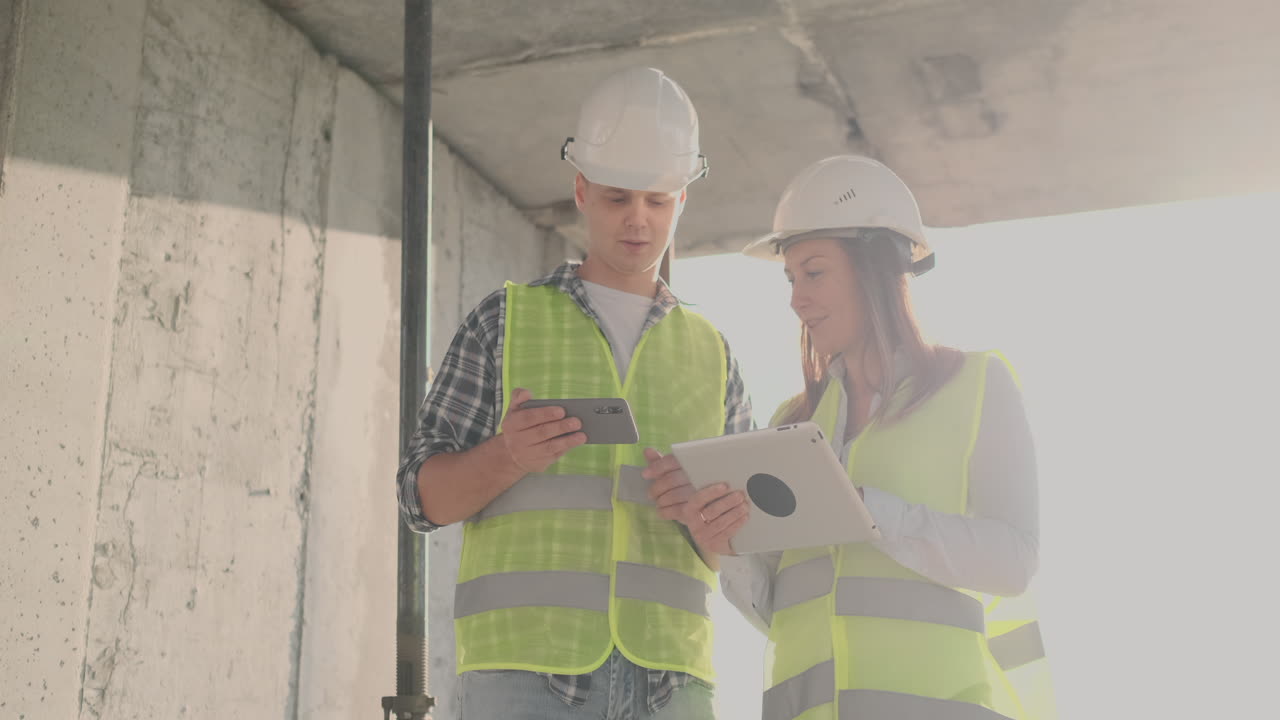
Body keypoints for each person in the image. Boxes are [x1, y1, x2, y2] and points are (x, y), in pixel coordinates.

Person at [395, 66, 752, 720]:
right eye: (618, 198)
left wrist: (706, 519)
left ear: (682, 200)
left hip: (673, 683)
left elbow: (740, 552)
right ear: (582, 190)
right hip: (525, 677)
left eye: (658, 201)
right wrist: (507, 456)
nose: (639, 220)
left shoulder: (713, 352)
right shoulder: (506, 321)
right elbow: (419, 498)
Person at [643, 155, 1055, 719]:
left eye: (814, 273)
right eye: (791, 279)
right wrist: (722, 540)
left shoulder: (978, 385)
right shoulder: (792, 421)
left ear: (876, 268)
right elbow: (781, 610)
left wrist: (865, 511)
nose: (796, 298)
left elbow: (1015, 561)